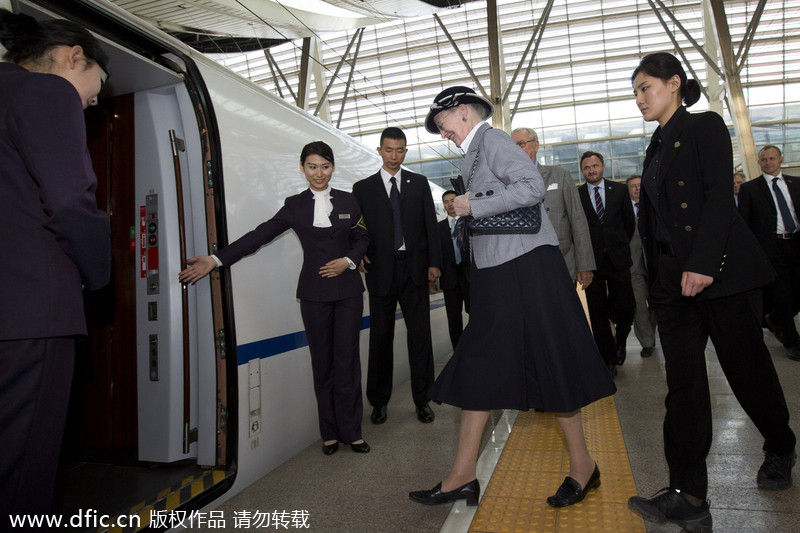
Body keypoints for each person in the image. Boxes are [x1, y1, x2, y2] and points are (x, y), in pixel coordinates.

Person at [409, 86, 615, 509]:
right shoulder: (474, 152)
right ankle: (463, 475)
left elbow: (531, 187)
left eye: (443, 124)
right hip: (499, 271)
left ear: (462, 112)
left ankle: (582, 466)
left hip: (525, 267)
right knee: (479, 362)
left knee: (550, 360)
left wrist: (471, 204)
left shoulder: (494, 141)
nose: (443, 133)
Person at [627, 52, 796, 532]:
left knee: (747, 371)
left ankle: (780, 445)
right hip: (672, 283)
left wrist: (703, 264)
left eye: (645, 88)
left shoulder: (704, 126)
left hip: (719, 274)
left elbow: (720, 197)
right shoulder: (655, 147)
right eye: (635, 92)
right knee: (683, 386)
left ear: (674, 84)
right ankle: (688, 494)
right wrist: (659, 278)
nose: (639, 99)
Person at [179, 141, 371, 456]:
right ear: (302, 168)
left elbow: (362, 236)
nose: (319, 173)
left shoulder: (349, 200)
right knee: (322, 364)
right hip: (314, 294)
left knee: (348, 362)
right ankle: (330, 434)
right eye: (312, 166)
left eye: (324, 166)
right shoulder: (294, 205)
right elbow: (260, 234)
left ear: (333, 167)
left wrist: (348, 260)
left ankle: (353, 432)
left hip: (349, 292)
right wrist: (216, 259)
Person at [0, 9, 111, 525]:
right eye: (96, 86)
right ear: (73, 57)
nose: (93, 101)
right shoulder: (46, 92)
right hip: (30, 310)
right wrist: (98, 274)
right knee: (20, 465)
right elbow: (69, 201)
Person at [352, 127, 441, 425]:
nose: (394, 156)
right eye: (388, 150)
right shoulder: (363, 188)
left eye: (400, 150)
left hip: (415, 270)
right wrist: (357, 254)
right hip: (380, 271)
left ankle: (423, 400)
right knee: (380, 339)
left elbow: (430, 225)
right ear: (379, 150)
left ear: (405, 152)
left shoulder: (419, 183)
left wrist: (434, 263)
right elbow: (357, 229)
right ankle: (378, 402)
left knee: (420, 337)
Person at [510, 127, 595, 288]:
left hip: (563, 261)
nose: (517, 150)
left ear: (536, 145)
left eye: (521, 144)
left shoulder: (560, 175)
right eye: (512, 146)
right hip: (525, 266)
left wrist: (585, 264)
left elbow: (578, 221)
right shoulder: (507, 184)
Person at [738, 145, 800, 361]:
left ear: (781, 159)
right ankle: (792, 342)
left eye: (772, 158)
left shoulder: (796, 184)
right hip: (771, 249)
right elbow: (744, 224)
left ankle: (774, 317)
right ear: (759, 163)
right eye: (764, 159)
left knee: (796, 292)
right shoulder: (750, 189)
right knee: (782, 294)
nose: (768, 162)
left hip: (796, 244)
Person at [577, 151, 636, 373]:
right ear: (582, 171)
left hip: (618, 259)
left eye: (595, 166)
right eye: (587, 168)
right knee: (597, 312)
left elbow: (629, 224)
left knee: (626, 306)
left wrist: (617, 245)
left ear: (602, 167)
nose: (591, 170)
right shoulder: (578, 195)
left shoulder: (619, 190)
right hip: (591, 263)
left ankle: (620, 341)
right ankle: (608, 359)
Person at [433, 190, 470, 350]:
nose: (449, 204)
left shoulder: (469, 223)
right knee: (453, 319)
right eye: (446, 201)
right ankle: (458, 352)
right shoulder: (437, 228)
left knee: (476, 314)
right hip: (449, 280)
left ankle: (475, 348)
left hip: (470, 278)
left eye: (453, 200)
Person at [626, 174, 656, 358]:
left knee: (656, 302)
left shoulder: (652, 206)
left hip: (654, 262)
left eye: (639, 185)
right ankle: (647, 343)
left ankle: (652, 334)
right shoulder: (623, 209)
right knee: (639, 305)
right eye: (633, 186)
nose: (637, 189)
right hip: (634, 264)